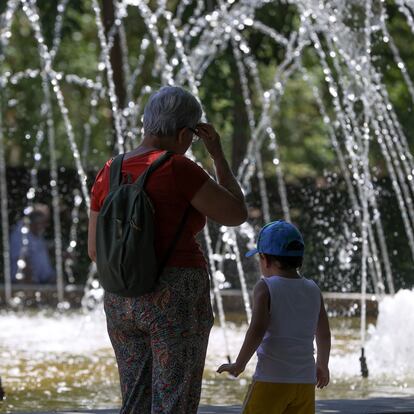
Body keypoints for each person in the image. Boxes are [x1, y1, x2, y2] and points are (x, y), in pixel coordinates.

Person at [88, 86, 247, 414]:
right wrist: (217, 154)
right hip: (175, 298)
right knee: (175, 400)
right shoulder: (177, 168)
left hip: (120, 298)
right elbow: (236, 214)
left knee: (135, 401)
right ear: (185, 132)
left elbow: (94, 249)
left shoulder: (109, 170)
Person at [218, 220, 331, 414]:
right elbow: (324, 333)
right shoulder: (313, 289)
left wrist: (239, 364)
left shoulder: (266, 287)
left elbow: (257, 329)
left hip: (271, 380)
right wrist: (322, 364)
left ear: (265, 259)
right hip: (304, 383)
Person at [10, 206, 56, 284]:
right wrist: (31, 288)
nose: (46, 225)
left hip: (42, 283)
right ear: (36, 221)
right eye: (44, 222)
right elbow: (23, 262)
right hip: (25, 284)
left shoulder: (37, 234)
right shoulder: (21, 235)